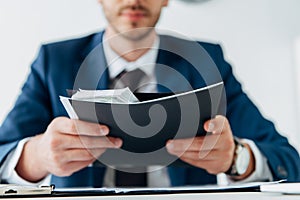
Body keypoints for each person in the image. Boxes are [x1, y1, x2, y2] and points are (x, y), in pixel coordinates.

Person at [0, 0, 299, 187]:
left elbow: (289, 161)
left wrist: (235, 158)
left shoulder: (207, 62)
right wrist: (37, 156)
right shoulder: (54, 61)